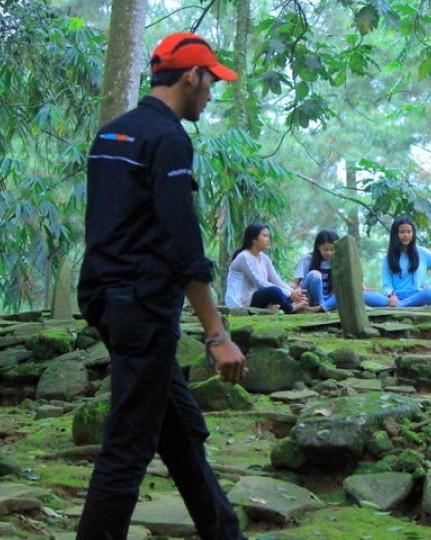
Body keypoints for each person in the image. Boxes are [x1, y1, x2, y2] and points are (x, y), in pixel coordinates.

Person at [76, 32, 245, 539]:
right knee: (128, 447)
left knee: (180, 431)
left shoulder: (112, 134)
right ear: (190, 76)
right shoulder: (169, 138)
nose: (212, 93)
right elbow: (181, 240)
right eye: (211, 81)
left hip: (106, 298)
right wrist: (217, 335)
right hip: (143, 306)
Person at [292, 229, 386, 311]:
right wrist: (292, 293)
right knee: (315, 274)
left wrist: (363, 288)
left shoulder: (340, 260)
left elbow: (352, 279)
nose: (329, 253)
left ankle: (322, 308)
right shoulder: (308, 259)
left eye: (332, 249)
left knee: (351, 289)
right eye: (325, 249)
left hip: (329, 298)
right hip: (310, 297)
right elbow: (295, 284)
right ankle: (319, 306)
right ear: (318, 247)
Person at [229, 223, 312, 313]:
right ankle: (290, 308)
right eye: (264, 236)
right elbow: (260, 283)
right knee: (275, 291)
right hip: (243, 300)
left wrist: (293, 292)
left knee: (295, 293)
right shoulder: (244, 257)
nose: (268, 240)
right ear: (253, 239)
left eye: (268, 236)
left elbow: (276, 280)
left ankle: (288, 305)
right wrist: (289, 293)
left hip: (257, 295)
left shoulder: (263, 257)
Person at [373, 216, 431, 308]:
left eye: (409, 232)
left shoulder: (423, 252)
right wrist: (391, 296)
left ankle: (399, 307)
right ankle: (399, 305)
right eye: (402, 232)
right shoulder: (388, 258)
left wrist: (428, 283)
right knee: (365, 296)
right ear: (395, 234)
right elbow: (387, 284)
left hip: (418, 295)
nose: (406, 235)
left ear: (413, 233)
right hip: (396, 297)